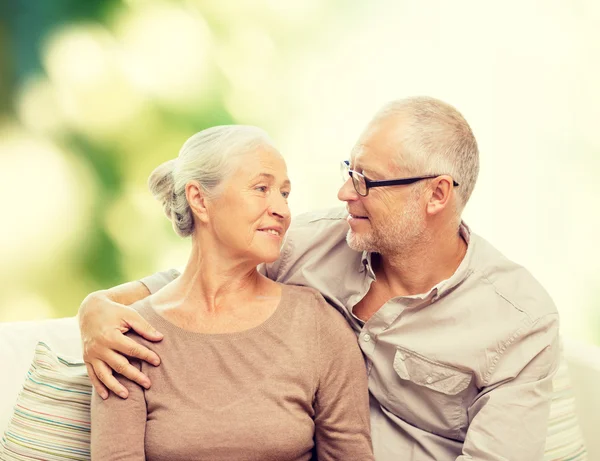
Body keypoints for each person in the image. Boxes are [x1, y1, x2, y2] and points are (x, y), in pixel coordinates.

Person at [81, 97, 560, 461]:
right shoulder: (313, 242)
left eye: (367, 180)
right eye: (349, 170)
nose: (344, 192)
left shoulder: (518, 323)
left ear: (436, 195)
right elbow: (210, 280)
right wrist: (96, 307)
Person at [89, 125, 374, 461]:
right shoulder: (127, 337)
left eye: (284, 193)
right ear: (199, 200)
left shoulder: (317, 324)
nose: (281, 210)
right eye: (261, 188)